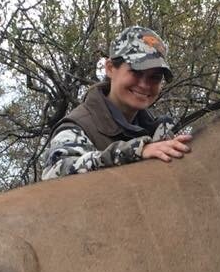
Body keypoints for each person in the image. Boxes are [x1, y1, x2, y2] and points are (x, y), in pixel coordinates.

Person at [40, 26, 192, 180]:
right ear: (110, 68)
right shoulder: (78, 126)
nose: (144, 85)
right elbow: (55, 173)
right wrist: (134, 151)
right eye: (136, 72)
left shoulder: (158, 132)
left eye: (155, 77)